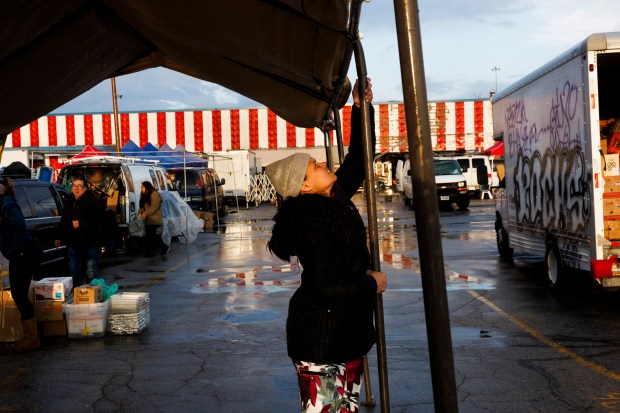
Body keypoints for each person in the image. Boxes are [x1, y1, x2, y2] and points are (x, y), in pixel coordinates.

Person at [266, 79, 387, 413]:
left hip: (342, 335)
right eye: (314, 166)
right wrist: (370, 283)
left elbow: (361, 159)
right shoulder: (312, 219)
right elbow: (324, 285)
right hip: (323, 341)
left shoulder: (332, 199)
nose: (323, 165)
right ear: (304, 186)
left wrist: (361, 109)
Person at [0, 177, 41, 352]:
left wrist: (2, 223)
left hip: (22, 253)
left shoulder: (7, 204)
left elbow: (19, 225)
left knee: (19, 294)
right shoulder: (5, 203)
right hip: (19, 252)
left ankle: (32, 338)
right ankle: (30, 336)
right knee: (19, 293)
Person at [54, 178, 101, 287]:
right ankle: (78, 293)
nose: (76, 188)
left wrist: (81, 223)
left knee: (91, 271)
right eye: (74, 185)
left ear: (84, 189)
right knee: (74, 269)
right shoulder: (69, 201)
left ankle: (93, 293)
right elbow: (64, 221)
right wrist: (58, 237)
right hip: (73, 242)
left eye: (79, 186)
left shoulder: (92, 201)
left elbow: (97, 220)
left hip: (89, 241)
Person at [139, 181, 169, 257]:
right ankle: (161, 247)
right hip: (149, 219)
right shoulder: (145, 195)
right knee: (150, 236)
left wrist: (146, 213)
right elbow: (143, 206)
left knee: (150, 235)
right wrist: (141, 211)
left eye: (142, 187)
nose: (141, 189)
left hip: (154, 219)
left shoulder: (154, 194)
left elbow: (154, 207)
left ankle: (153, 251)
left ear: (147, 187)